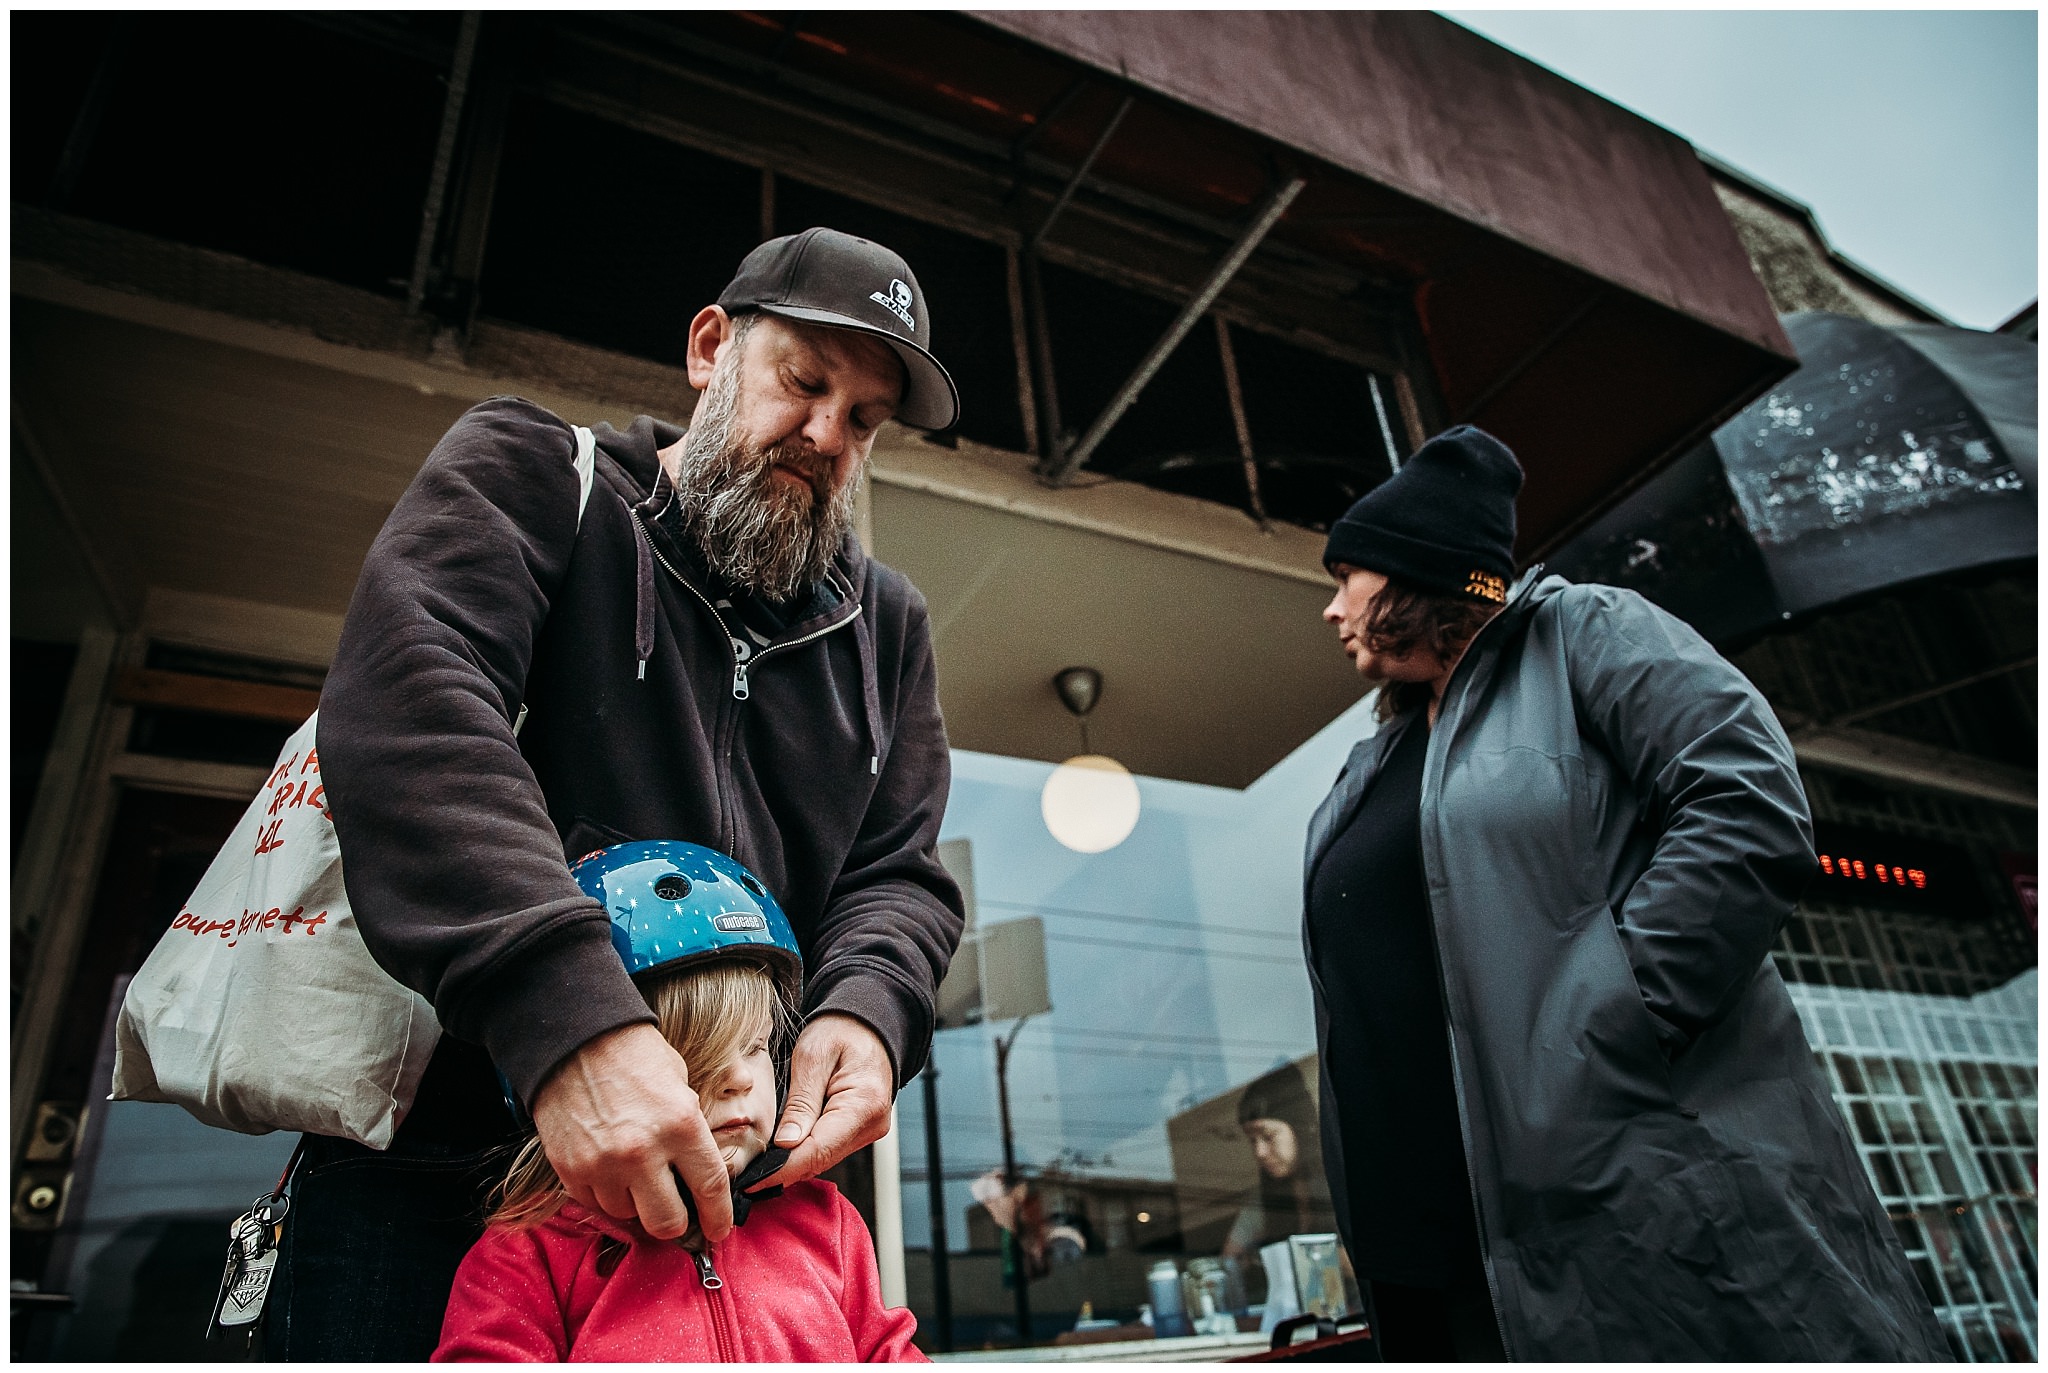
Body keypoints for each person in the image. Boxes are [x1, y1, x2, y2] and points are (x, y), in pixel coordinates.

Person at [279, 227, 967, 1359]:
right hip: (443, 1163)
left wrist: (868, 1007)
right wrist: (564, 1017)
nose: (826, 436)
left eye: (864, 420)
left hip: (744, 1203)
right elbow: (413, 705)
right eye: (804, 382)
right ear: (710, 346)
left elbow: (899, 871)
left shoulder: (885, 624)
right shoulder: (539, 475)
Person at [1302, 426, 1951, 1361]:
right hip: (1433, 1259)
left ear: (1414, 570)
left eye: (1345, 577)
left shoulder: (1581, 635)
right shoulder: (1386, 757)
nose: (1330, 610)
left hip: (1622, 1209)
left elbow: (1744, 800)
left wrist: (1613, 1023)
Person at [433, 842, 926, 1362]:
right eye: (698, 1052)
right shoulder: (530, 1253)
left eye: (756, 1046)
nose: (739, 1078)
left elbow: (886, 1352)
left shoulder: (826, 1224)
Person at [1220, 1062, 1332, 1264]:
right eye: (1252, 1141)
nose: (1259, 1152)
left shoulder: (1341, 1180)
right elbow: (1229, 1260)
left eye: (1268, 1136)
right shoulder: (1262, 1200)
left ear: (1301, 1130)